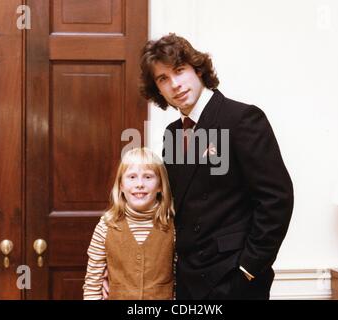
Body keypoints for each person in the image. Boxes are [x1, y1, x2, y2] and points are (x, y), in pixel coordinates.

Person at [138, 33, 294, 300]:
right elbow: (172, 204)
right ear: (158, 89)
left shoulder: (242, 118)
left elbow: (276, 200)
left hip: (234, 280)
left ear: (198, 70)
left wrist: (248, 269)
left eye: (179, 70)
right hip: (188, 280)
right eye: (163, 78)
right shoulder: (173, 133)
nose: (174, 84)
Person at [83, 147, 175, 300]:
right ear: (121, 185)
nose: (140, 184)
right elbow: (93, 283)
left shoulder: (172, 226)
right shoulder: (106, 226)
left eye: (148, 177)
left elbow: (180, 281)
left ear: (160, 186)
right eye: (132, 177)